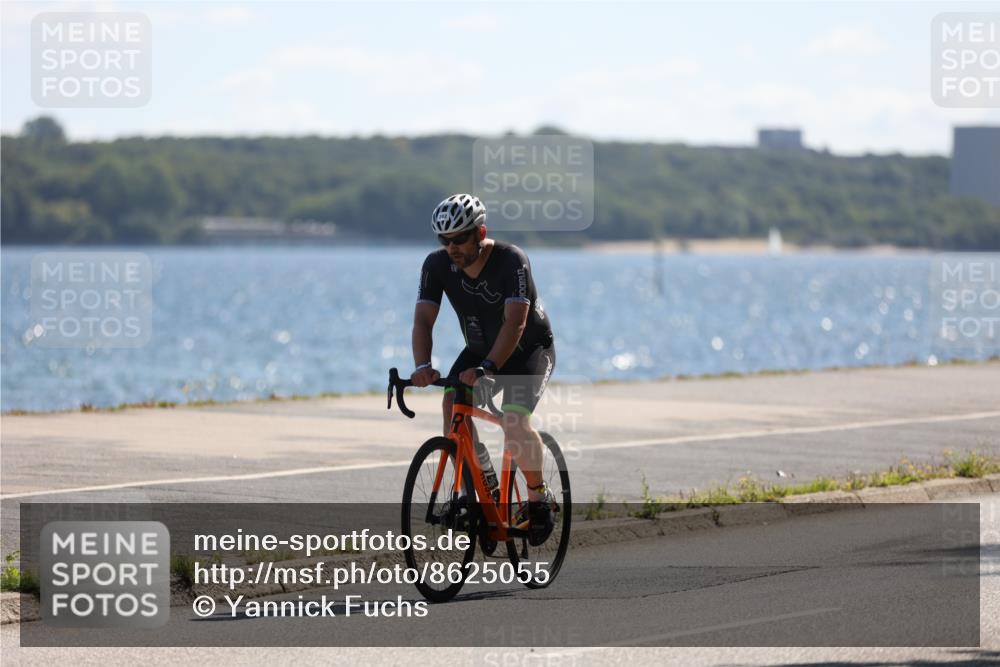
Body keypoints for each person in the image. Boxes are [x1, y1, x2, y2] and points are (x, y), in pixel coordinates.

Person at [410, 193, 556, 545]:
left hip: (527, 350)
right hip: (478, 351)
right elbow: (423, 320)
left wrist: (489, 367)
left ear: (480, 232)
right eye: (444, 240)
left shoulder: (511, 261)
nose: (452, 247)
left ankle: (539, 499)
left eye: (460, 238)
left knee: (513, 419)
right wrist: (423, 366)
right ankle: (478, 486)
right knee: (452, 405)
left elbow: (516, 323)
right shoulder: (436, 265)